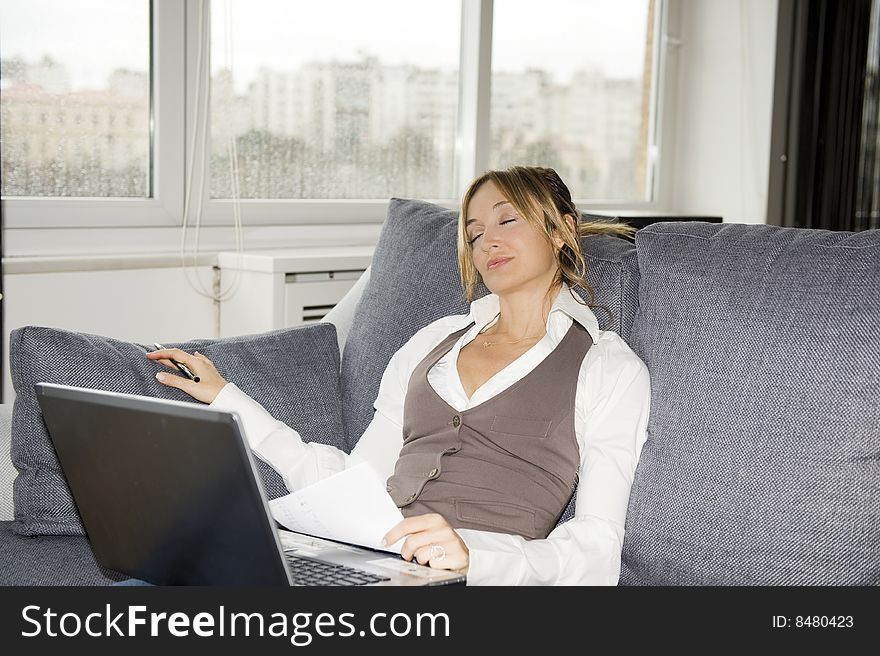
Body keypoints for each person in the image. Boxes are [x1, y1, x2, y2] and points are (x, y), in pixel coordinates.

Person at [147, 166, 651, 585]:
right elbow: (357, 480)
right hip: (368, 559)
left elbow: (598, 546)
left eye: (507, 221)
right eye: (474, 233)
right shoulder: (432, 342)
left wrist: (476, 555)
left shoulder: (607, 367)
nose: (487, 242)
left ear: (561, 229)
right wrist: (230, 400)